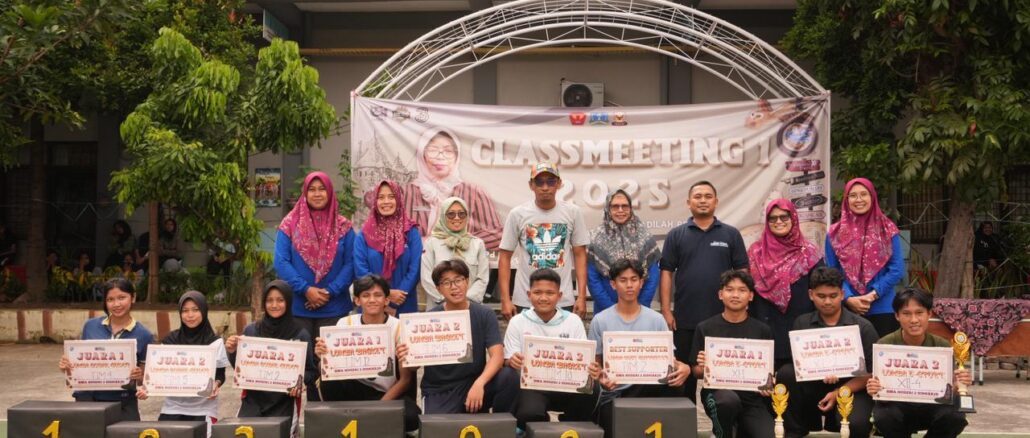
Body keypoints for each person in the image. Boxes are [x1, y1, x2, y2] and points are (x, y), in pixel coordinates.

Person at [659, 181, 749, 402]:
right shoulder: (676, 235)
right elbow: (666, 273)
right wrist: (666, 310)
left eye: (708, 196)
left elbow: (743, 273)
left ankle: (724, 420)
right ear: (688, 202)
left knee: (725, 379)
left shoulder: (731, 234)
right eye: (697, 196)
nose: (702, 200)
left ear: (716, 202)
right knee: (683, 378)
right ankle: (684, 420)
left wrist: (743, 307)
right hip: (685, 319)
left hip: (724, 319)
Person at [398, 260, 517, 414]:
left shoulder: (485, 314)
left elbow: (497, 356)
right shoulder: (427, 320)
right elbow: (414, 367)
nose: (454, 287)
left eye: (459, 280)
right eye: (446, 283)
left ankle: (502, 422)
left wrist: (480, 383)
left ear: (467, 281)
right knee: (436, 426)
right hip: (440, 388)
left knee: (508, 376)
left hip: (474, 382)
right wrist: (407, 357)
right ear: (438, 289)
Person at [588, 259, 691, 438]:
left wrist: (685, 367)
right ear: (613, 284)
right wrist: (600, 376)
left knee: (675, 383)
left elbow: (669, 361)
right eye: (623, 280)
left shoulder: (656, 320)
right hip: (615, 392)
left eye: (634, 279)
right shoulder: (600, 320)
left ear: (641, 283)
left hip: (648, 389)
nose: (629, 285)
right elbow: (595, 365)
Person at [778, 267, 877, 438]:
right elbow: (799, 365)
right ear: (811, 295)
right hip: (814, 385)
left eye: (833, 296)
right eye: (821, 296)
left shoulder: (863, 327)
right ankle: (795, 430)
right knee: (786, 372)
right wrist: (820, 370)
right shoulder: (802, 323)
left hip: (851, 387)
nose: (827, 302)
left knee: (856, 424)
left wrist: (839, 391)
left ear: (842, 294)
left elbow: (872, 373)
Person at [315, 274, 420, 432]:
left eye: (378, 295)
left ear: (386, 300)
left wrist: (378, 408)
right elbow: (328, 370)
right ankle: (340, 418)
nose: (372, 300)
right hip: (352, 387)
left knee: (412, 416)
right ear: (357, 301)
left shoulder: (399, 328)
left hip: (386, 392)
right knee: (325, 377)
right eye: (366, 295)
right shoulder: (345, 323)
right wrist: (322, 356)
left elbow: (405, 380)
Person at [866, 287, 971, 438]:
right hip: (899, 406)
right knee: (883, 416)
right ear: (897, 316)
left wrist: (958, 385)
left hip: (932, 405)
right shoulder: (885, 344)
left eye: (919, 313)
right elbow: (879, 389)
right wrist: (874, 388)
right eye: (906, 314)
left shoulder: (942, 346)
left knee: (955, 417)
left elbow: (949, 389)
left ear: (929, 314)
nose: (914, 320)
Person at [503, 268, 597, 430]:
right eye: (537, 292)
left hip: (568, 385)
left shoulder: (573, 321)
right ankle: (539, 422)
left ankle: (571, 425)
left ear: (559, 296)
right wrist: (512, 361)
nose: (543, 298)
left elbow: (584, 360)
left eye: (550, 293)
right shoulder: (517, 321)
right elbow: (507, 359)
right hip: (533, 386)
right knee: (529, 414)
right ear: (529, 294)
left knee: (592, 387)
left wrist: (591, 368)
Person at [274, 171, 356, 349]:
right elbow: (281, 262)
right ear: (305, 193)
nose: (317, 194)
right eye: (312, 189)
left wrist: (329, 292)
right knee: (301, 361)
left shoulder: (344, 227)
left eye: (322, 189)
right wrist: (306, 289)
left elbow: (351, 263)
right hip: (298, 307)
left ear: (330, 192)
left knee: (331, 360)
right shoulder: (289, 225)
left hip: (335, 308)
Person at [226, 280, 317, 438]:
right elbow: (241, 369)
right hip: (252, 401)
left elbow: (311, 372)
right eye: (269, 300)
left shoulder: (300, 334)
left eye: (280, 300)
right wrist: (232, 351)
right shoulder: (252, 331)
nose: (274, 305)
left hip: (285, 403)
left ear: (288, 302)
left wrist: (299, 381)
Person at [498, 162, 589, 320]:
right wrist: (505, 299)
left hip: (562, 300)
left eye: (551, 181)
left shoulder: (573, 212)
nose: (545, 187)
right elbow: (505, 257)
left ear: (559, 184)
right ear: (531, 185)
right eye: (539, 182)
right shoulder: (517, 214)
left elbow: (580, 255)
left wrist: (582, 297)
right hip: (526, 300)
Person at [689, 270, 774, 438]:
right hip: (717, 395)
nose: (735, 295)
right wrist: (704, 368)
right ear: (720, 294)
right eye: (729, 290)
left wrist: (768, 383)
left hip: (752, 399)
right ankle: (721, 433)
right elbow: (695, 372)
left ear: (751, 296)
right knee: (728, 401)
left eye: (742, 290)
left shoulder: (762, 330)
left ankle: (741, 428)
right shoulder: (705, 328)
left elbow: (769, 373)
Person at [58, 278, 153, 421]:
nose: (116, 304)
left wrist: (139, 376)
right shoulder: (90, 326)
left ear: (133, 297)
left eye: (122, 297)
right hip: (87, 399)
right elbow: (79, 366)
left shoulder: (144, 335)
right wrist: (66, 367)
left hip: (123, 402)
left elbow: (144, 379)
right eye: (110, 299)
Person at [137, 291, 230, 432]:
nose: (190, 315)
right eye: (185, 311)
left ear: (204, 311)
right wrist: (147, 388)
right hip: (172, 407)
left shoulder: (214, 342)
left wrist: (216, 384)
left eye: (195, 310)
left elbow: (220, 374)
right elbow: (157, 374)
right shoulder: (170, 340)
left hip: (203, 409)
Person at [825, 178, 905, 337]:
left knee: (880, 351)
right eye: (853, 195)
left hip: (883, 307)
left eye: (864, 194)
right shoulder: (834, 234)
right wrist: (849, 298)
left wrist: (872, 295)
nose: (859, 199)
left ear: (872, 197)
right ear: (846, 200)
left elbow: (897, 270)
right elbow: (832, 272)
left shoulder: (888, 230)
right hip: (847, 309)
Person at [747, 199, 822, 368]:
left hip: (800, 327)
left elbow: (820, 288)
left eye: (784, 217)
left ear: (793, 218)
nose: (778, 222)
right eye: (773, 218)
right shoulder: (755, 252)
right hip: (764, 323)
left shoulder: (809, 252)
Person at [403, 127, 504, 250]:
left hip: (462, 261)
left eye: (448, 151)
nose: (440, 157)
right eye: (433, 150)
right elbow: (392, 234)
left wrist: (457, 241)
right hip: (418, 261)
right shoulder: (405, 193)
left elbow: (497, 236)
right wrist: (420, 242)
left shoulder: (474, 192)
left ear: (457, 156)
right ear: (422, 155)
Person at [586, 189, 661, 315]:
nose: (620, 210)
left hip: (639, 310)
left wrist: (640, 307)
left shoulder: (644, 236)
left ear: (631, 208)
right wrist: (611, 310)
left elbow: (653, 276)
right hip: (606, 311)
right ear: (608, 209)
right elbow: (592, 279)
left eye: (625, 206)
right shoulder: (596, 238)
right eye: (615, 206)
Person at [355, 180, 422, 315]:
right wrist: (385, 295)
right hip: (372, 304)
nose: (386, 202)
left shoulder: (411, 232)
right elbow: (360, 269)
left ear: (399, 199)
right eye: (381, 197)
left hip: (404, 303)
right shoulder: (364, 234)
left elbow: (415, 269)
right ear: (375, 201)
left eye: (391, 197)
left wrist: (396, 299)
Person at [421, 197, 490, 304]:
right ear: (443, 216)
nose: (457, 218)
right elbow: (426, 278)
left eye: (461, 214)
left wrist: (464, 300)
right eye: (451, 214)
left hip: (469, 305)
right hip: (440, 306)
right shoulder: (431, 243)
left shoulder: (477, 244)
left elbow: (482, 278)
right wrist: (445, 300)